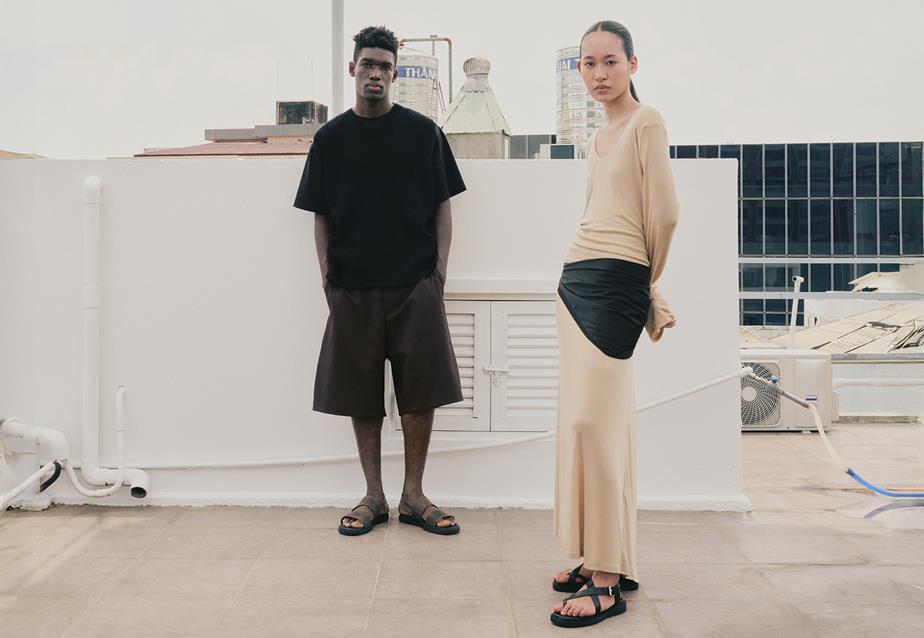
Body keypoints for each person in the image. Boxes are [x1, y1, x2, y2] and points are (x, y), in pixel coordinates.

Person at [293, 25, 466, 537]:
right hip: (352, 287)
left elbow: (443, 207)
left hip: (415, 284)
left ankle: (414, 496)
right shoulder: (330, 139)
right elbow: (321, 216)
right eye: (368, 64)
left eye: (385, 67)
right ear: (353, 68)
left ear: (394, 73)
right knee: (360, 394)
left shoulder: (422, 133)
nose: (376, 74)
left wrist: (437, 276)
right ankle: (374, 495)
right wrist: (328, 280)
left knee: (421, 392)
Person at [549, 20, 679, 628]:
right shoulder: (596, 138)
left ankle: (606, 582)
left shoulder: (646, 122)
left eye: (610, 61)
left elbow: (665, 216)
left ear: (632, 64)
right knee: (587, 427)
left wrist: (647, 285)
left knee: (593, 425)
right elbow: (596, 210)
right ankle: (604, 557)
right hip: (576, 282)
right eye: (588, 63)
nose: (599, 73)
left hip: (618, 283)